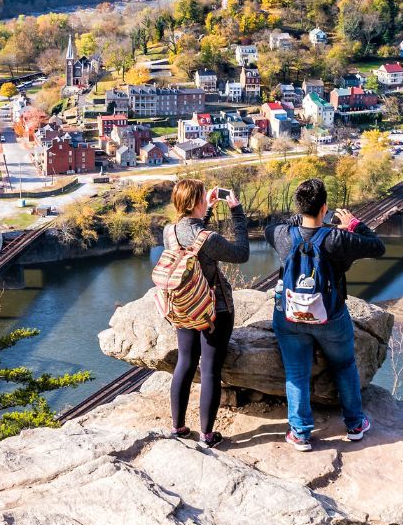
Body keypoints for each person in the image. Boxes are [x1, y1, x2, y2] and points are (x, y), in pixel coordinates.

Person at [268, 177, 386, 450]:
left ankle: (300, 434)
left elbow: (272, 226)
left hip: (290, 317)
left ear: (298, 207)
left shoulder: (283, 235)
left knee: (296, 373)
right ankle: (355, 424)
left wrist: (299, 220)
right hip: (330, 317)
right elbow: (377, 246)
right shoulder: (338, 238)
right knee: (344, 365)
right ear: (325, 208)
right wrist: (354, 226)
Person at [164, 177, 248, 448]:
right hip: (214, 310)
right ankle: (207, 435)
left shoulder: (169, 231)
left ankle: (178, 427)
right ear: (196, 201)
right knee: (210, 369)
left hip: (184, 306)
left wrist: (207, 210)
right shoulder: (208, 237)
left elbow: (194, 240)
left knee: (185, 362)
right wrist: (236, 211)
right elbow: (241, 253)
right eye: (203, 198)